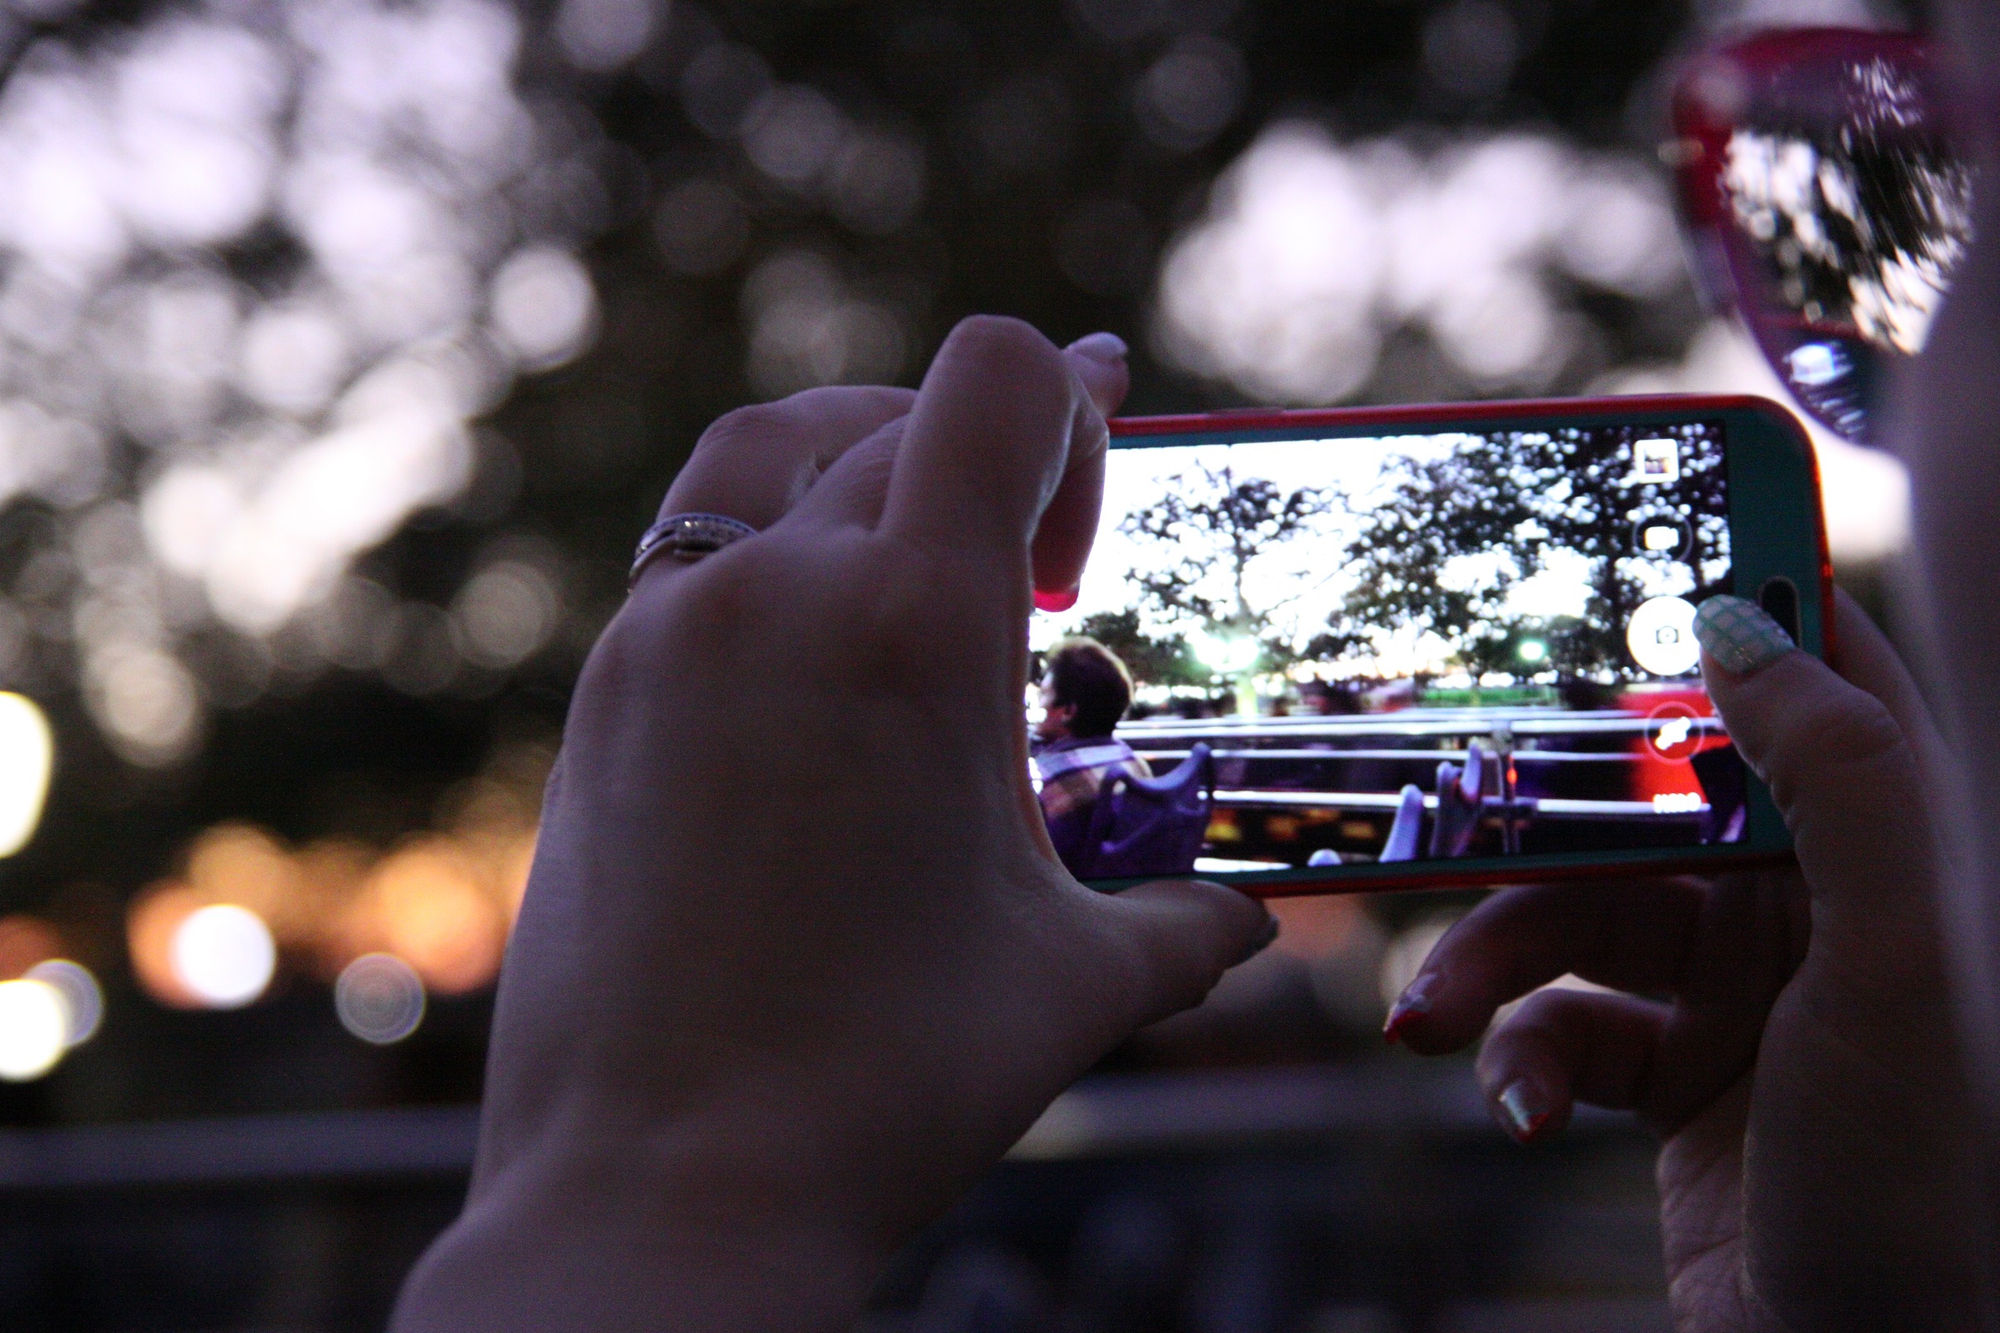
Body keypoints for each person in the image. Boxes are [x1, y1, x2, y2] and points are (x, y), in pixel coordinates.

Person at [1032, 637, 1151, 875]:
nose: (1038, 703)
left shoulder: (1049, 780)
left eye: (1044, 694)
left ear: (1068, 711)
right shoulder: (1134, 763)